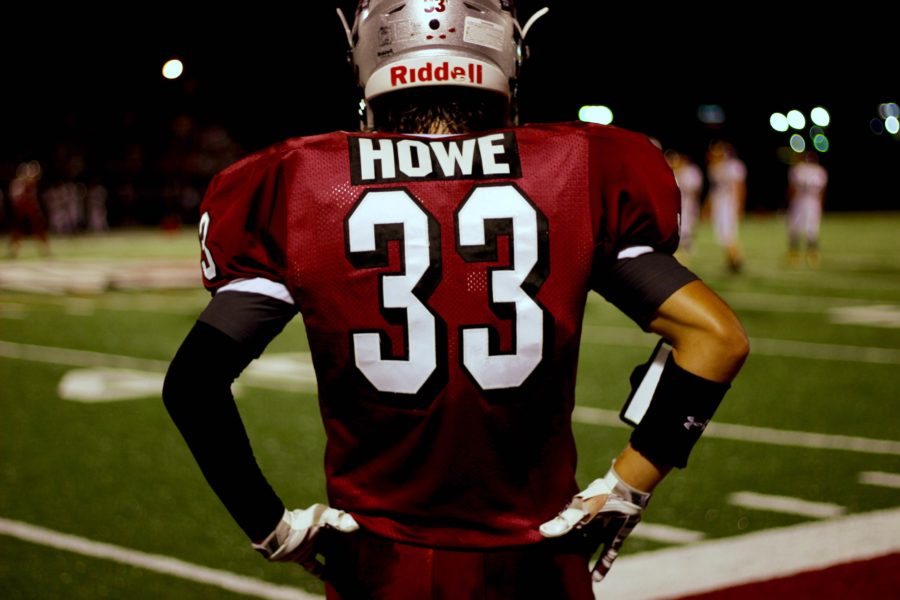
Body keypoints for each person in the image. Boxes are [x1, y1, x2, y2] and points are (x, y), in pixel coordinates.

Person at [162, 2, 749, 598]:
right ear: (506, 54)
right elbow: (716, 340)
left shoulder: (298, 181)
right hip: (538, 560)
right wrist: (625, 488)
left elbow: (192, 384)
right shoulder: (579, 166)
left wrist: (273, 528)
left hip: (379, 566)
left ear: (366, 55)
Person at [705, 140, 746, 272]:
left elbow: (739, 187)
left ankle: (737, 260)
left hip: (728, 203)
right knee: (722, 234)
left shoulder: (733, 166)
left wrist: (739, 205)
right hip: (719, 203)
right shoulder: (714, 168)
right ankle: (731, 260)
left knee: (728, 233)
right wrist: (708, 206)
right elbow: (714, 189)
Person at [786, 151, 827, 267]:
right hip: (813, 202)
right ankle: (813, 256)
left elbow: (792, 189)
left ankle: (794, 255)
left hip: (799, 201)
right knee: (812, 230)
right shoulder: (820, 171)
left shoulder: (798, 170)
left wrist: (788, 201)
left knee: (794, 228)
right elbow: (821, 193)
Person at [7, 160, 51, 258]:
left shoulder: (31, 182)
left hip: (31, 210)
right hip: (22, 210)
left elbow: (35, 177)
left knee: (39, 230)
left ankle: (45, 250)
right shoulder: (18, 183)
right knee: (17, 231)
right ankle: (14, 250)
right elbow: (15, 196)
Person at [665, 150, 703, 258]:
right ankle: (681, 247)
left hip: (688, 203)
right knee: (680, 226)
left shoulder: (690, 171)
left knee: (687, 225)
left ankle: (687, 246)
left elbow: (694, 190)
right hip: (678, 203)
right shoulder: (673, 172)